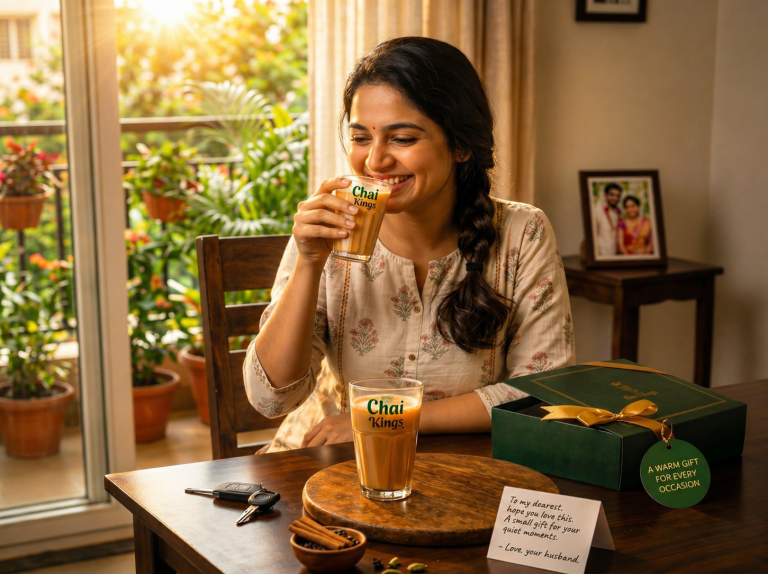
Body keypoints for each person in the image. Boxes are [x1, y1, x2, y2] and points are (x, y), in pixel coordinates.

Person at [244, 37, 575, 453]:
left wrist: (387, 417)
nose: (375, 161)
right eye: (361, 138)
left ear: (460, 145)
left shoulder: (522, 233)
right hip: (328, 461)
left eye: (401, 139)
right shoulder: (330, 230)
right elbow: (271, 398)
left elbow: (544, 392)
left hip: (463, 468)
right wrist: (309, 264)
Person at [594, 183, 622, 256]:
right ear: (605, 195)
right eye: (612, 195)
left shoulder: (618, 212)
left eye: (618, 196)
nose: (615, 198)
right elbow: (594, 232)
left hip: (615, 253)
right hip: (602, 253)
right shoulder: (598, 210)